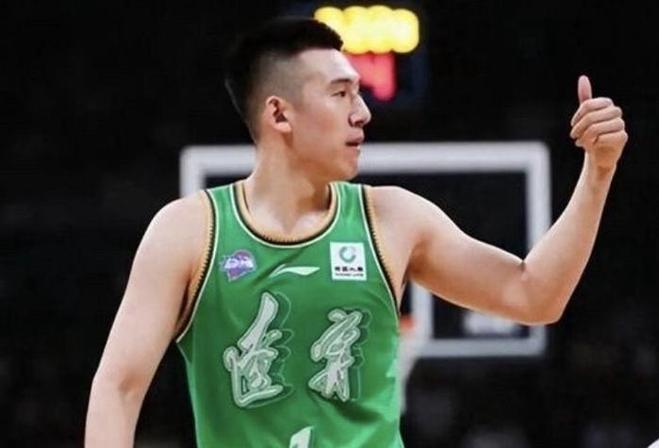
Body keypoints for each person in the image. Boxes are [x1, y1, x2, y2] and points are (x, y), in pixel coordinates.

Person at [85, 17, 628, 448]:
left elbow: (535, 295)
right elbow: (118, 388)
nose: (363, 113)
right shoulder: (189, 231)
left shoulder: (392, 218)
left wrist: (598, 172)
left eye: (360, 94)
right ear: (280, 114)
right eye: (341, 94)